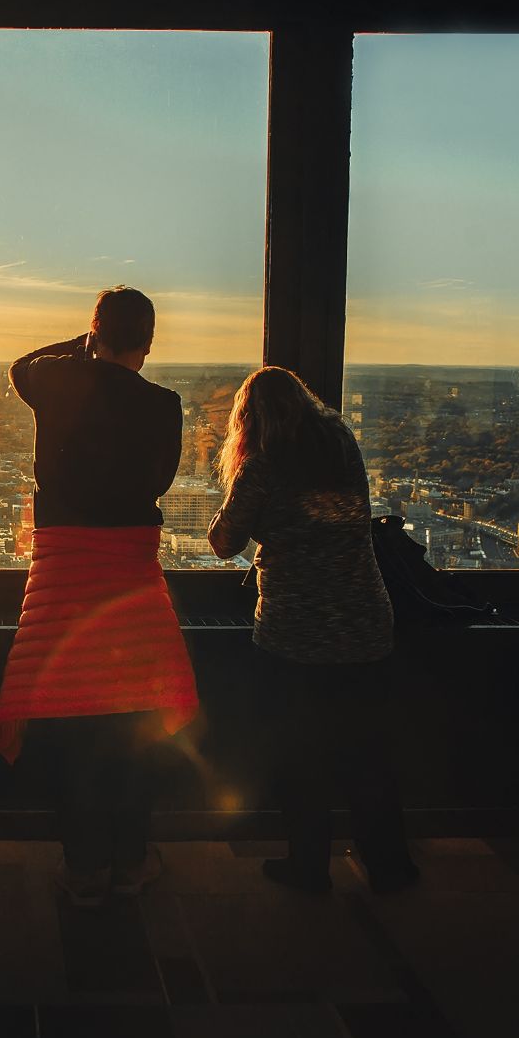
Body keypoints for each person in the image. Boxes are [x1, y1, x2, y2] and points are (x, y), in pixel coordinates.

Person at [0, 287, 199, 908]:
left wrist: (82, 347)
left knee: (71, 722)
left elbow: (20, 367)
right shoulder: (164, 405)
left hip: (63, 574)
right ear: (149, 342)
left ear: (94, 332)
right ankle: (132, 861)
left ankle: (82, 869)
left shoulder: (61, 382)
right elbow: (160, 481)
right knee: (135, 721)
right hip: (131, 573)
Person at [207, 366, 419, 894]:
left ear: (249, 419)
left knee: (301, 759)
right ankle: (389, 866)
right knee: (368, 754)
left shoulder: (260, 468)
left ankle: (308, 868)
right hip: (366, 621)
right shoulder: (342, 447)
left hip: (295, 634)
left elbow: (222, 541)